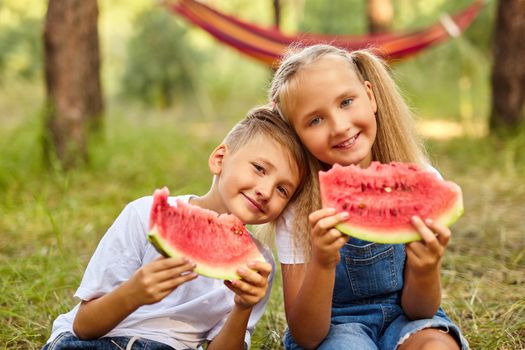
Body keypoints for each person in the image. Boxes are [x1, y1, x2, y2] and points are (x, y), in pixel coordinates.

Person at [42, 105, 311, 350]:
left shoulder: (258, 266)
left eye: (282, 189)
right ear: (219, 158)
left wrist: (243, 307)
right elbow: (84, 326)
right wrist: (134, 292)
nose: (265, 191)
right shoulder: (144, 214)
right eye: (259, 168)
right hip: (94, 342)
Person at [268, 44, 469, 350]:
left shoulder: (420, 183)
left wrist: (425, 268)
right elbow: (307, 335)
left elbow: (420, 310)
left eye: (346, 102)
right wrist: (322, 262)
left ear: (370, 96)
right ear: (297, 135)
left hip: (406, 318)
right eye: (315, 120)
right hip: (335, 327)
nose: (339, 126)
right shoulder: (297, 209)